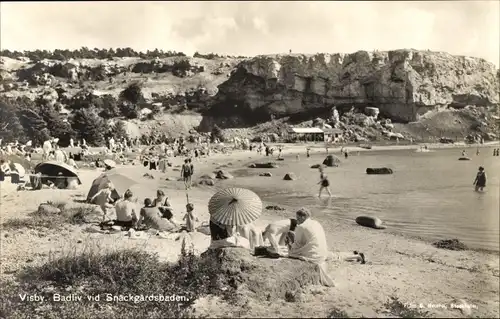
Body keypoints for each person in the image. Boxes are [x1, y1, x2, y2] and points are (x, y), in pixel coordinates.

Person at [286, 208, 365, 286]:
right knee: (334, 256)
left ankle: (356, 256)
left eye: (298, 218)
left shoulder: (301, 226)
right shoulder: (316, 222)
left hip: (314, 255)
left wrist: (290, 244)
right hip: (322, 251)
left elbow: (297, 245)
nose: (297, 221)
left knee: (291, 253)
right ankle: (355, 256)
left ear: (303, 217)